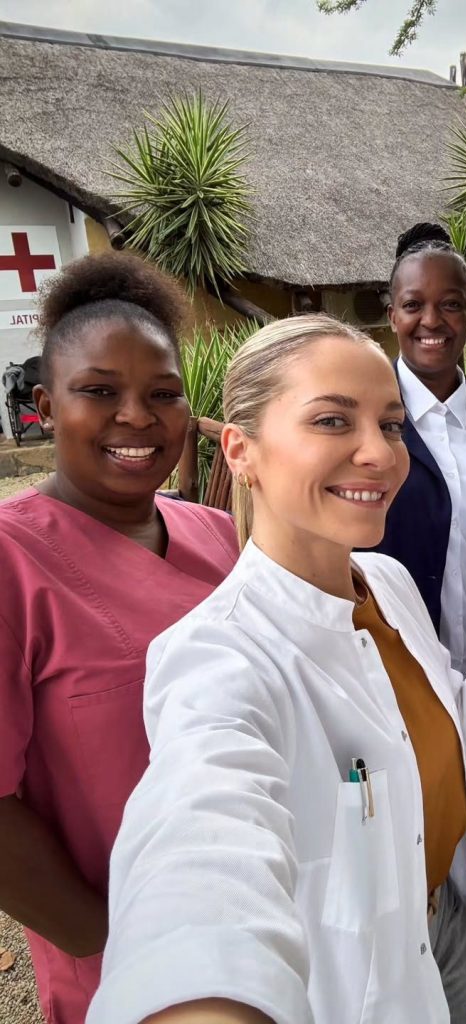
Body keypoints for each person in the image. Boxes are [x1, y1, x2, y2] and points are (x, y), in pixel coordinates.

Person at [88, 314, 466, 1024]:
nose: (380, 454)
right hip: (355, 981)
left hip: (443, 920)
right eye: (332, 420)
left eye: (390, 425)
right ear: (240, 450)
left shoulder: (386, 583)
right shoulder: (217, 657)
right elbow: (198, 856)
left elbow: (434, 723)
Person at [0, 252, 239, 1024]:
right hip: (125, 960)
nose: (137, 417)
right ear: (45, 404)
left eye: (163, 394)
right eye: (100, 391)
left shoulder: (222, 537)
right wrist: (104, 938)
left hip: (255, 915)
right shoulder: (12, 563)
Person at [374, 222, 466, 811]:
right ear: (392, 315)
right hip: (392, 691)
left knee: (465, 823)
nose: (432, 320)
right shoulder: (364, 429)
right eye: (413, 305)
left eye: (450, 304)